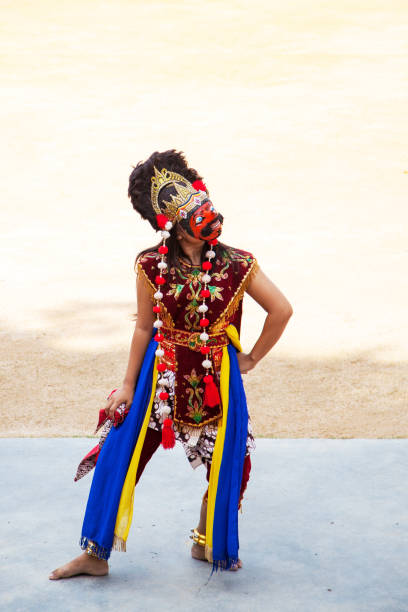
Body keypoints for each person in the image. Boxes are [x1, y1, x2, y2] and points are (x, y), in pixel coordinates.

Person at [49, 149, 293, 580]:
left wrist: (252, 358)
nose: (203, 221)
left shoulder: (238, 264)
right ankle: (95, 554)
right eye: (192, 216)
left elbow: (282, 310)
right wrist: (126, 385)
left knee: (228, 463)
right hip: (162, 376)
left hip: (212, 377)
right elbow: (144, 328)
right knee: (120, 451)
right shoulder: (152, 265)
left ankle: (205, 540)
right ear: (173, 226)